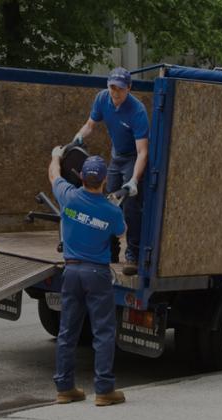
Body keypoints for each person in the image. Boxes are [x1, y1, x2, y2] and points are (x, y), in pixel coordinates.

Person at [48, 146, 127, 407]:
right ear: (104, 180)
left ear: (81, 176)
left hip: (71, 272)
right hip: (97, 273)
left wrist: (56, 156)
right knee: (103, 331)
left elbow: (53, 175)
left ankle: (65, 388)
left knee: (67, 332)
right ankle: (104, 390)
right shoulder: (112, 211)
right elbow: (120, 232)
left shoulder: (67, 197)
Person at [72, 67, 149, 275]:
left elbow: (143, 152)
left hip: (133, 158)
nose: (116, 92)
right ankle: (111, 251)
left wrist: (134, 180)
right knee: (108, 202)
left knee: (131, 205)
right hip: (117, 157)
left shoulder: (137, 111)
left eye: (120, 89)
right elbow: (90, 124)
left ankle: (133, 253)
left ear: (129, 88)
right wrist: (79, 136)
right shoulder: (102, 99)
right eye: (113, 87)